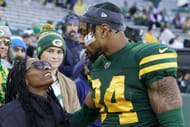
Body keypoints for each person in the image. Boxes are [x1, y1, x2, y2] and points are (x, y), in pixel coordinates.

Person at [70, 2, 184, 127]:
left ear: (104, 30)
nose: (81, 40)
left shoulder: (146, 57)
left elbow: (173, 123)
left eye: (84, 33)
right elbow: (86, 115)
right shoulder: (97, 65)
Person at [0, 58, 71, 127]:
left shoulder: (55, 107)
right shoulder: (10, 114)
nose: (46, 67)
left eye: (46, 64)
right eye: (38, 65)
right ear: (24, 79)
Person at [37, 23, 80, 113]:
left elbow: (74, 113)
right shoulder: (26, 79)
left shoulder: (70, 84)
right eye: (50, 51)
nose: (55, 56)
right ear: (40, 53)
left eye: (59, 52)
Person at [58, 12, 83, 78]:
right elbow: (59, 69)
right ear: (64, 27)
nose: (73, 28)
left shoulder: (80, 45)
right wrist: (80, 67)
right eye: (69, 25)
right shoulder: (60, 44)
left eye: (75, 25)